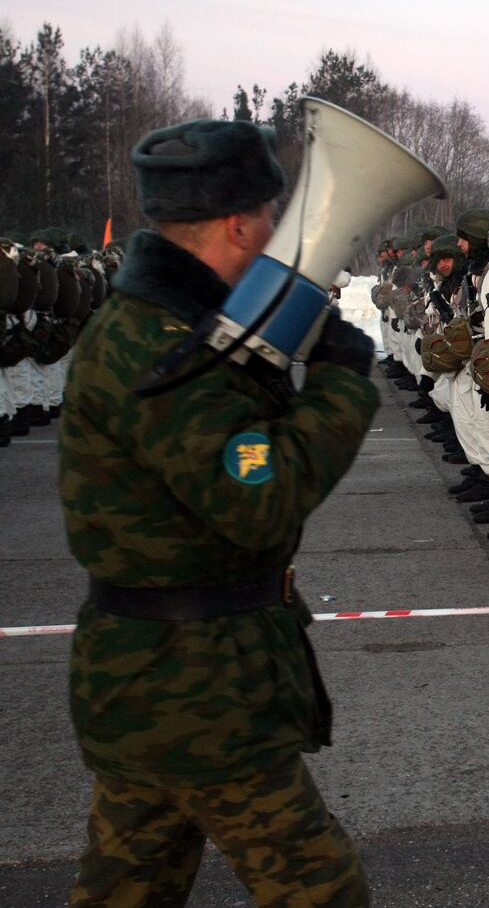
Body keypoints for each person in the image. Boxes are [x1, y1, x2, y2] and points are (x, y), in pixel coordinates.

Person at [60, 119, 375, 904]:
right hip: (196, 692)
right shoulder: (162, 346)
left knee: (128, 886)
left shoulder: (160, 328)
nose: (276, 230)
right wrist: (339, 385)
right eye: (271, 215)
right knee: (320, 889)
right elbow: (258, 503)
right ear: (238, 222)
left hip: (157, 678)